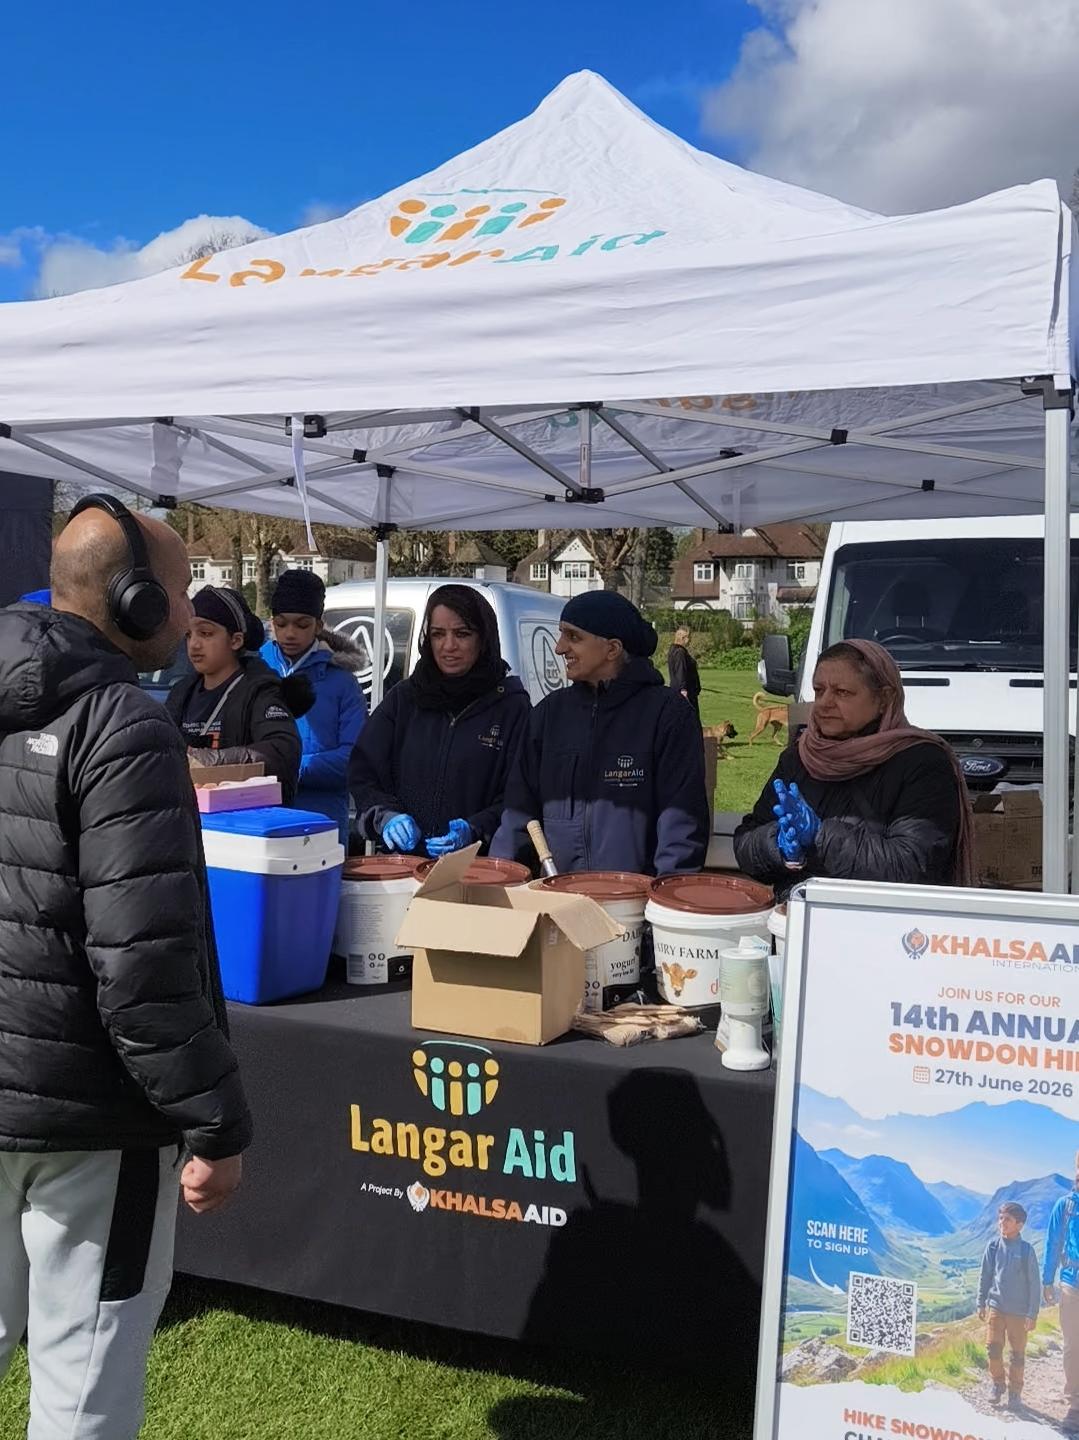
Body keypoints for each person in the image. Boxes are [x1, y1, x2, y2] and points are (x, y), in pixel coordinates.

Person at [0, 494, 251, 1440]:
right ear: (135, 600)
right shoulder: (124, 727)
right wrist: (215, 1121)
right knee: (83, 1388)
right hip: (93, 1120)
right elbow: (143, 966)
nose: (189, 615)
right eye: (182, 592)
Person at [491, 591, 710, 875]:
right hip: (557, 894)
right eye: (561, 635)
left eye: (573, 637)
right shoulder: (548, 714)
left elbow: (681, 826)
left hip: (635, 897)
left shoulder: (668, 715)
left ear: (612, 649)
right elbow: (518, 814)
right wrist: (501, 880)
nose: (559, 648)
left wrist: (666, 896)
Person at [734, 639, 973, 895]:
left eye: (842, 692)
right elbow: (747, 840)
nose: (824, 702)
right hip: (797, 912)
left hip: (879, 917)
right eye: (819, 690)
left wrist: (821, 836)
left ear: (885, 698)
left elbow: (913, 866)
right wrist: (776, 846)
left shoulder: (923, 762)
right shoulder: (800, 756)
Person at [349, 584, 530, 857]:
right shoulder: (404, 698)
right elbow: (363, 772)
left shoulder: (512, 707)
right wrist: (385, 816)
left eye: (462, 634)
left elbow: (520, 796)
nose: (448, 646)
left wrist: (476, 828)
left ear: (484, 638)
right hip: (404, 865)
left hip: (478, 867)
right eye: (438, 634)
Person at [166, 585, 309, 804]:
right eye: (188, 635)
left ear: (236, 640)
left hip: (243, 817)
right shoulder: (181, 693)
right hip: (188, 813)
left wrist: (210, 760)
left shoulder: (262, 691)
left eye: (206, 633)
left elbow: (281, 752)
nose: (194, 644)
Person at [260, 569, 366, 844]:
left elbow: (355, 757)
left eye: (302, 625)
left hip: (321, 822)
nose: (290, 633)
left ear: (319, 626)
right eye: (281, 624)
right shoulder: (255, 670)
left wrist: (292, 766)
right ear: (272, 622)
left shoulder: (342, 682)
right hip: (262, 821)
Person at [978, 1202, 1040, 1411]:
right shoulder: (993, 1247)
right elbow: (985, 1276)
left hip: (1019, 1313)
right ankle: (997, 1384)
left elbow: (1035, 1284)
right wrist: (981, 1302)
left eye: (1007, 1219)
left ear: (1019, 1225)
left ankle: (1015, 1393)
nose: (1002, 1223)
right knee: (993, 1349)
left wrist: (1032, 1313)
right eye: (1001, 1218)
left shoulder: (1026, 1251)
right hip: (996, 1307)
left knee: (1017, 1355)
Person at [1043, 1153, 1079, 1431]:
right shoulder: (1065, 1206)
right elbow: (1052, 1244)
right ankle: (1075, 1403)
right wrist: (1047, 1280)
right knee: (1073, 1345)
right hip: (1071, 1283)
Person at [667, 626, 702, 720]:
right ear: (684, 638)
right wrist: (683, 690)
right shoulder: (680, 652)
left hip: (678, 690)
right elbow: (680, 671)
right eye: (689, 637)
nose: (690, 640)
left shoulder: (673, 650)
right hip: (686, 693)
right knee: (690, 720)